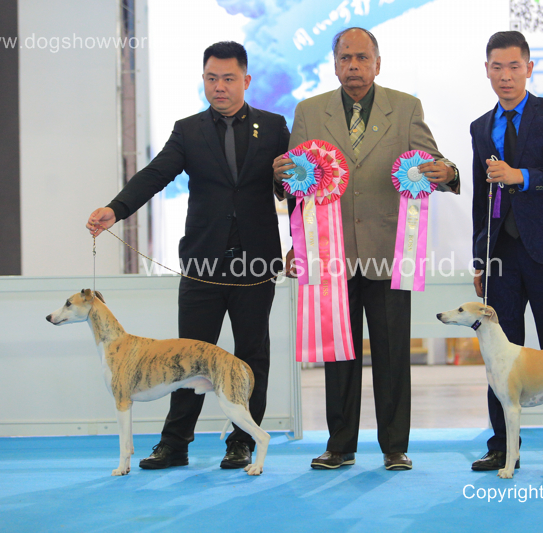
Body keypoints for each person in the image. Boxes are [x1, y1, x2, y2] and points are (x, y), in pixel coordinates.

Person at [86, 41, 290, 471]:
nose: (219, 87)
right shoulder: (188, 130)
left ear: (246, 80)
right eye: (211, 78)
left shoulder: (274, 127)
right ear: (203, 80)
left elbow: (291, 187)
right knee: (183, 358)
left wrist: (296, 222)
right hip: (202, 264)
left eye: (228, 78)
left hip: (256, 264)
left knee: (252, 356)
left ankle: (241, 442)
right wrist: (115, 209)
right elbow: (155, 174)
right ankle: (175, 443)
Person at [273, 27, 459, 471]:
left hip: (388, 251)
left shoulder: (406, 107)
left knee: (393, 352)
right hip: (329, 254)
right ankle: (340, 446)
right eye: (345, 58)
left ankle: (395, 446)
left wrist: (447, 172)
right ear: (334, 65)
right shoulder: (309, 111)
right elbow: (298, 187)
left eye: (361, 58)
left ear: (378, 63)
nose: (353, 66)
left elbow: (433, 162)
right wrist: (282, 187)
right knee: (338, 351)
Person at [470, 31, 543, 473]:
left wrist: (520, 175)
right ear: (487, 70)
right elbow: (481, 198)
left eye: (514, 66)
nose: (506, 76)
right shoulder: (481, 127)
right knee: (497, 352)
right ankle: (502, 445)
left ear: (529, 68)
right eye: (497, 67)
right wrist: (480, 258)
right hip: (501, 257)